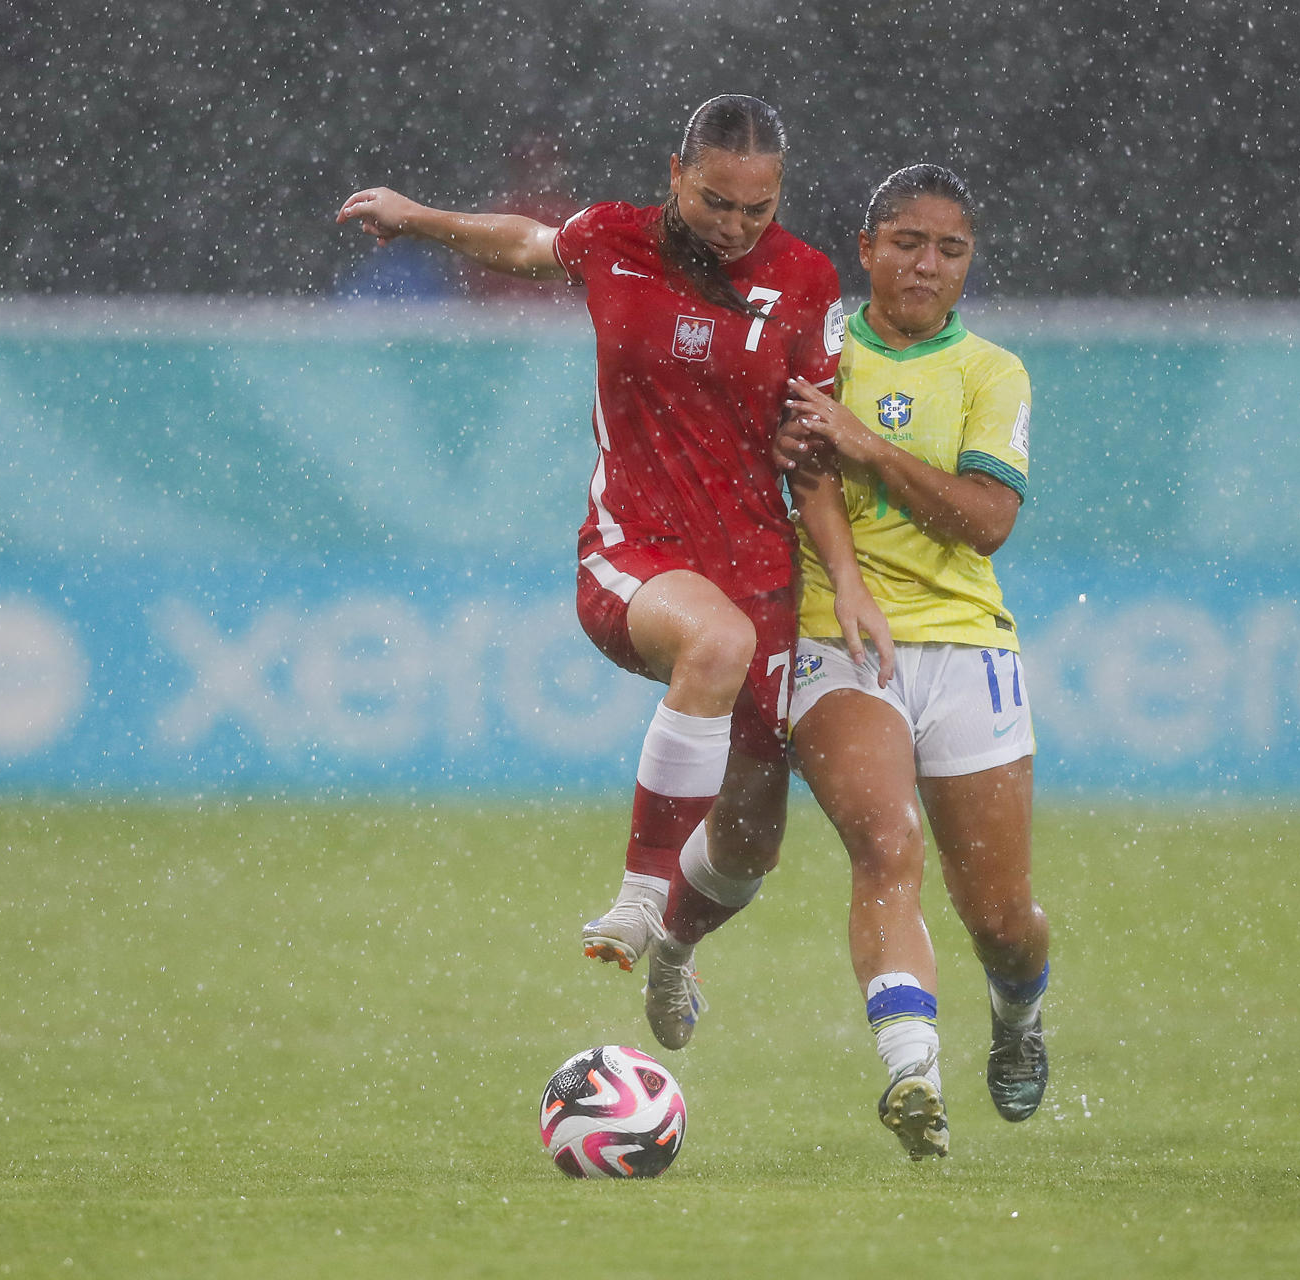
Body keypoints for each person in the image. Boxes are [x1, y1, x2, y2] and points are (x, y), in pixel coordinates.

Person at [337, 96, 892, 1052]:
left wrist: (842, 579)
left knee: (754, 843)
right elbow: (524, 244)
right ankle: (639, 897)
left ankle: (674, 944)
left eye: (756, 210)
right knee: (711, 644)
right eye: (716, 201)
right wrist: (417, 217)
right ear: (675, 173)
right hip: (636, 551)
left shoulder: (805, 281)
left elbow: (814, 453)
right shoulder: (613, 240)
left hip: (760, 569)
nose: (734, 225)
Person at [779, 164, 1048, 1161]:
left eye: (950, 248)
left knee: (1003, 920)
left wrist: (866, 446)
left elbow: (984, 523)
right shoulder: (818, 352)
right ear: (868, 248)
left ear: (968, 262)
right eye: (907, 242)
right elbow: (803, 469)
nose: (927, 263)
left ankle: (1017, 1015)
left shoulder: (991, 374)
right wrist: (841, 449)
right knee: (886, 843)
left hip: (967, 646)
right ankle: (913, 1072)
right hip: (836, 635)